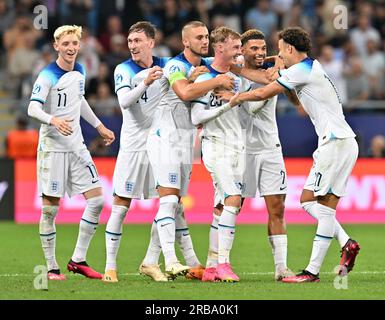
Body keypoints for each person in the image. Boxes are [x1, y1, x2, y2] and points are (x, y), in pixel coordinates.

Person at [228, 27, 360, 283]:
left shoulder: (301, 70)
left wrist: (235, 98)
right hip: (342, 142)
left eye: (280, 50)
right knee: (316, 203)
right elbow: (296, 101)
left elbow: (262, 92)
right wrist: (278, 71)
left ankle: (312, 271)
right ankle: (346, 243)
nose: (278, 54)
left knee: (316, 205)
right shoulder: (308, 68)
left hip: (334, 143)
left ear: (289, 48)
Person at [102, 21, 206, 283]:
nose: (132, 46)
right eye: (130, 41)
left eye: (137, 41)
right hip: (135, 146)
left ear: (151, 42)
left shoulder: (167, 63)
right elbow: (124, 102)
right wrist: (146, 82)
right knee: (121, 206)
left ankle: (156, 261)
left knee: (172, 204)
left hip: (162, 143)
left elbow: (187, 76)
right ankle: (110, 267)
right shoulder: (123, 69)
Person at [146, 20, 234, 278]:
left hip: (185, 141)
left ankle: (151, 261)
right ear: (185, 41)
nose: (204, 41)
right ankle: (172, 260)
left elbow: (231, 61)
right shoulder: (175, 66)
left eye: (206, 37)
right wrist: (214, 81)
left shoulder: (204, 67)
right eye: (198, 37)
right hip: (164, 137)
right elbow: (184, 93)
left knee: (175, 204)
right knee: (170, 200)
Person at [27, 25, 115, 281]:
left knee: (98, 200)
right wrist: (53, 120)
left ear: (79, 45)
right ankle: (52, 268)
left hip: (76, 146)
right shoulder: (47, 75)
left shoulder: (80, 69)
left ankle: (78, 259)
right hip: (53, 149)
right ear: (56, 46)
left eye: (74, 43)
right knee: (50, 210)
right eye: (65, 44)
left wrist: (99, 126)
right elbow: (32, 108)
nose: (70, 48)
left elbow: (80, 100)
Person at [190, 26, 248, 282]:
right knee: (233, 198)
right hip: (215, 145)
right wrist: (228, 105)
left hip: (239, 147)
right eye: (235, 47)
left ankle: (211, 266)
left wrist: (236, 97)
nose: (239, 52)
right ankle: (224, 264)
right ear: (220, 47)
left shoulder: (239, 76)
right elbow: (196, 117)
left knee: (222, 205)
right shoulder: (204, 79)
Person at [238, 29, 295, 281]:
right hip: (241, 151)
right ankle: (217, 263)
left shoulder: (273, 75)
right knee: (229, 206)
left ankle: (281, 268)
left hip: (270, 149)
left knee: (277, 208)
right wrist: (273, 77)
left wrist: (280, 74)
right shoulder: (233, 71)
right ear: (241, 50)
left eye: (263, 49)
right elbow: (249, 108)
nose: (260, 53)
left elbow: (294, 99)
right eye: (254, 49)